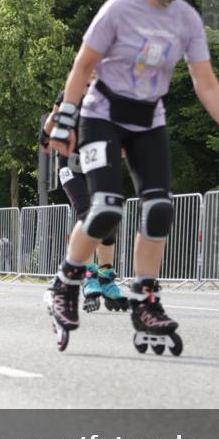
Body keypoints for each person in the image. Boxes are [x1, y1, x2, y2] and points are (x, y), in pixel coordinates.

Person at [46, 0, 219, 353]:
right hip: (102, 115)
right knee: (105, 209)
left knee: (160, 208)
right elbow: (83, 65)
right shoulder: (118, 10)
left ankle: (145, 300)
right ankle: (65, 284)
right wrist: (65, 118)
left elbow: (204, 81)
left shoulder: (187, 20)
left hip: (148, 120)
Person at [41, 80, 129, 312]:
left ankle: (106, 278)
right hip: (71, 166)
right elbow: (52, 119)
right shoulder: (70, 91)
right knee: (88, 214)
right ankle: (89, 276)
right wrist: (46, 133)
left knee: (108, 218)